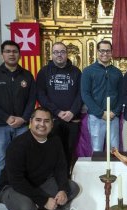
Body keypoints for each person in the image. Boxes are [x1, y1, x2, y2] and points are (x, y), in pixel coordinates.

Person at [0, 107, 80, 210]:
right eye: (38, 120)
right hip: (13, 187)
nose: (42, 124)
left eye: (46, 121)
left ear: (52, 124)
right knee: (26, 207)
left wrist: (62, 189)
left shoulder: (55, 141)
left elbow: (60, 168)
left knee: (72, 188)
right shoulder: (18, 145)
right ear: (30, 122)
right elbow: (17, 181)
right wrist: (44, 200)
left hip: (39, 182)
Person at [0, 40, 36, 179]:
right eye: (8, 51)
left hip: (22, 126)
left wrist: (24, 118)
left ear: (19, 55)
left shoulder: (27, 75)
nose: (11, 54)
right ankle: (2, 188)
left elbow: (32, 99)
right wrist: (6, 117)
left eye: (15, 51)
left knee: (23, 157)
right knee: (2, 159)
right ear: (2, 55)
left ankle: (21, 187)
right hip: (0, 125)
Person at [36, 42, 82, 176]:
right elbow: (41, 95)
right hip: (53, 119)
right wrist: (57, 111)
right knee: (52, 150)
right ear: (52, 54)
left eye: (62, 52)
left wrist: (72, 111)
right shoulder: (44, 72)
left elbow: (81, 94)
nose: (59, 55)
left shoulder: (76, 72)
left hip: (72, 120)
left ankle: (66, 177)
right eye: (56, 52)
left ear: (67, 54)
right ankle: (52, 178)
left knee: (69, 150)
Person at [81, 40, 123, 152]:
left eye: (108, 51)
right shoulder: (88, 71)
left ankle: (113, 170)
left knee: (114, 150)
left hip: (113, 116)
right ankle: (99, 170)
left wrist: (115, 112)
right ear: (97, 51)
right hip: (96, 117)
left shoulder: (117, 72)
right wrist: (100, 113)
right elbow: (85, 94)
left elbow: (122, 95)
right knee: (97, 149)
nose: (105, 53)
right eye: (102, 51)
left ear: (111, 52)